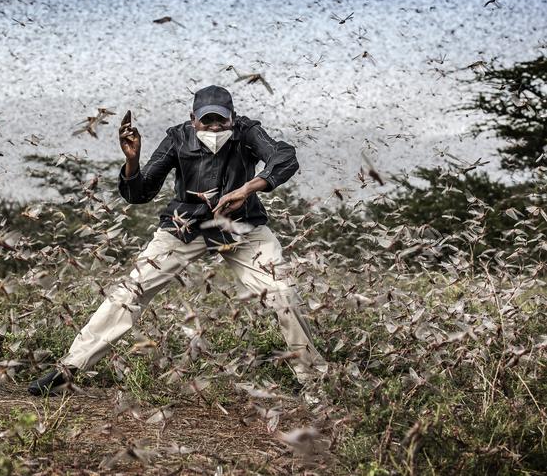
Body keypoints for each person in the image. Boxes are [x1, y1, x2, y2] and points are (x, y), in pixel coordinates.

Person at [28, 85, 328, 396]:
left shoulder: (247, 132)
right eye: (206, 121)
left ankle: (314, 382)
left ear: (233, 118)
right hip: (185, 226)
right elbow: (140, 193)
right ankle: (69, 368)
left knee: (282, 291)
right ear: (192, 120)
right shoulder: (177, 138)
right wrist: (132, 161)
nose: (214, 128)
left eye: (220, 122)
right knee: (131, 291)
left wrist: (247, 189)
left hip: (242, 225)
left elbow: (284, 157)